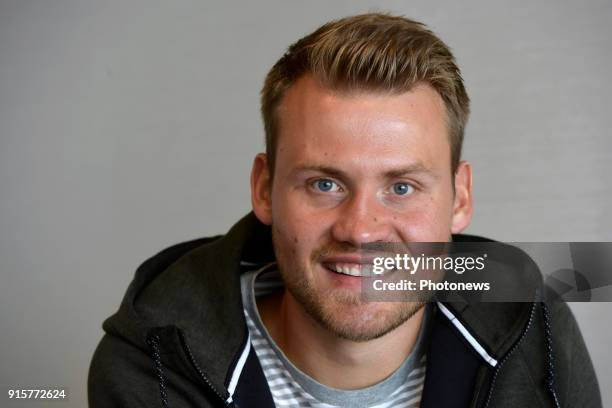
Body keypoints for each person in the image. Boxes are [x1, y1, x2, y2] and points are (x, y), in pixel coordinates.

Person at [88, 13, 601, 408]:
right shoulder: (151, 358)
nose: (360, 230)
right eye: (325, 183)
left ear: (459, 198)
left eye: (401, 187)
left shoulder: (530, 314)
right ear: (264, 188)